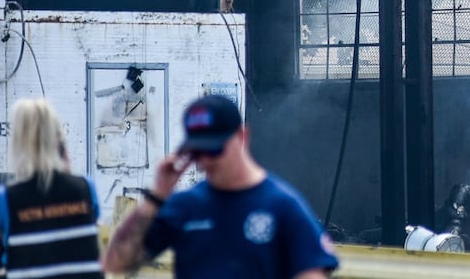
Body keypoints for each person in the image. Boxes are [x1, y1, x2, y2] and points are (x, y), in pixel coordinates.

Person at [101, 93, 338, 279]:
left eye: (214, 149)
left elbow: (313, 272)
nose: (206, 161)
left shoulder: (281, 205)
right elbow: (116, 262)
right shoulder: (185, 206)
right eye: (198, 152)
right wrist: (157, 196)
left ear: (242, 137)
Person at [0, 98, 102, 279]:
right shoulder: (85, 187)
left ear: (19, 144)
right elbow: (93, 223)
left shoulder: (4, 197)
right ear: (59, 143)